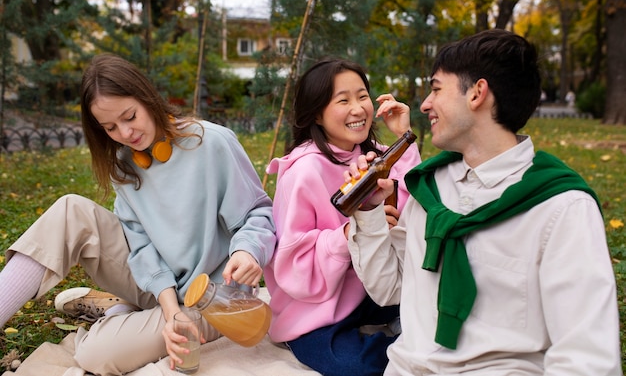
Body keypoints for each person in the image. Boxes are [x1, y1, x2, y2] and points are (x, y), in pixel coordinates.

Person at [344, 29, 622, 375]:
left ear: (477, 93)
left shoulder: (561, 209)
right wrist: (369, 212)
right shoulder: (430, 191)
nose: (425, 104)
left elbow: (586, 359)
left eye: (436, 89)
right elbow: (391, 289)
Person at [0, 54, 276, 374]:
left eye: (130, 116)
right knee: (70, 210)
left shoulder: (213, 142)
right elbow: (141, 247)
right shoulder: (126, 163)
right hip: (159, 287)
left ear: (147, 98)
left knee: (94, 355)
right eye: (110, 127)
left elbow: (258, 213)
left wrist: (248, 250)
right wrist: (170, 310)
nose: (126, 133)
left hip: (214, 298)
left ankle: (120, 313)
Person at [263, 58, 421, 376]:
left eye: (362, 96)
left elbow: (414, 204)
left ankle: (407, 335)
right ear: (317, 113)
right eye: (343, 100)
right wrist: (349, 234)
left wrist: (404, 135)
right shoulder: (303, 171)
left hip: (369, 290)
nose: (358, 108)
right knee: (354, 365)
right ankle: (405, 348)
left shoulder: (374, 153)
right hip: (315, 309)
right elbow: (293, 261)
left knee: (435, 300)